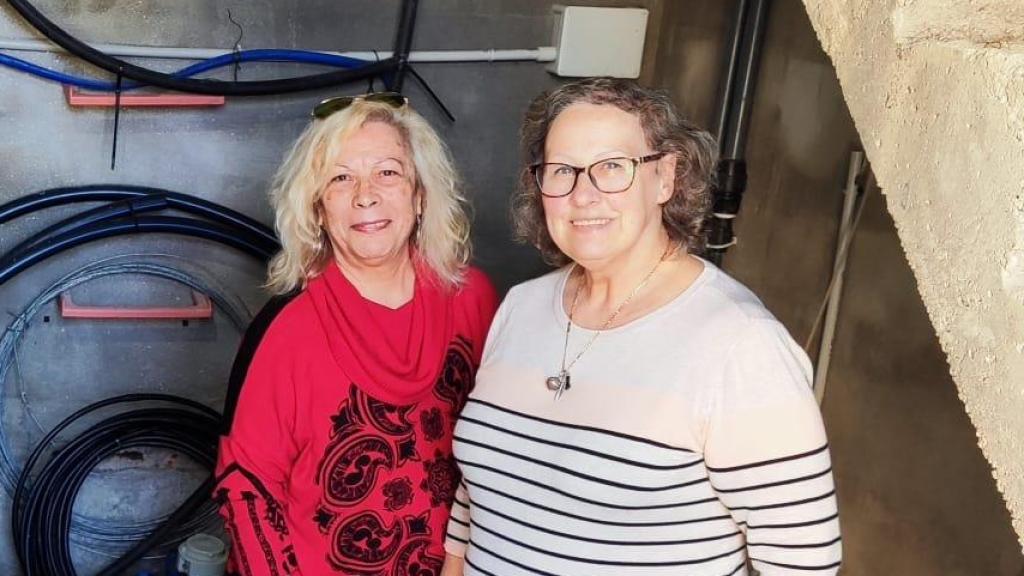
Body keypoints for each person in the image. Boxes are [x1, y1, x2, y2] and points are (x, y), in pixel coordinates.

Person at [442, 78, 841, 576]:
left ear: (666, 178)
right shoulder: (520, 308)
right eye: (562, 170)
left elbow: (802, 563)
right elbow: (477, 499)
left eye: (612, 167)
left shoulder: (740, 345)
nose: (583, 195)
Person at [216, 92, 497, 576]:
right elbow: (247, 492)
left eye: (387, 172)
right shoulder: (286, 328)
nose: (365, 194)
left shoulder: (473, 299)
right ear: (319, 208)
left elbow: (505, 450)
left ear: (420, 193)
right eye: (341, 178)